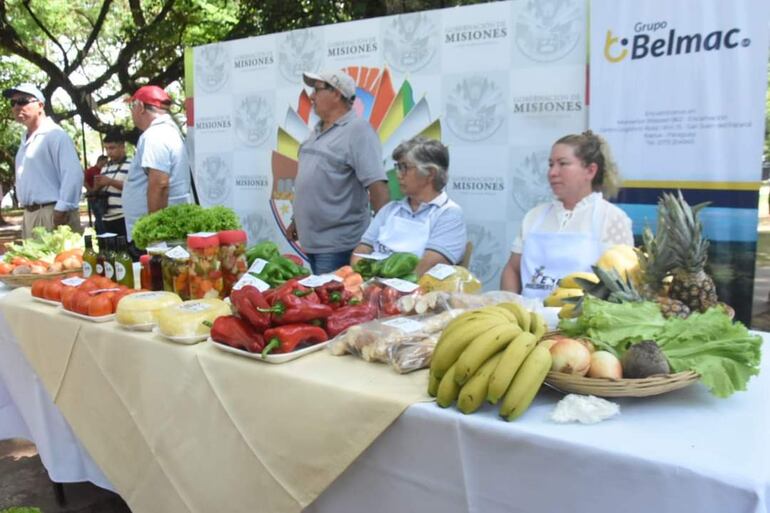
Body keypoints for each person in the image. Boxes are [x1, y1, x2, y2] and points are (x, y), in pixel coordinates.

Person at [500, 130, 634, 299]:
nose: (552, 172)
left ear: (590, 171)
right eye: (550, 164)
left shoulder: (612, 219)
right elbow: (512, 269)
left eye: (562, 164)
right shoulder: (534, 216)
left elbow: (623, 285)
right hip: (529, 321)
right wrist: (509, 306)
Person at [288, 69, 390, 274]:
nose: (312, 96)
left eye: (317, 90)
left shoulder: (358, 131)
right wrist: (296, 220)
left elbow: (378, 187)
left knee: (333, 303)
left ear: (336, 94)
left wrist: (381, 239)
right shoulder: (316, 131)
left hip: (339, 246)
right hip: (312, 243)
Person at [351, 136, 467, 276]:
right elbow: (361, 251)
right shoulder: (390, 210)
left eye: (404, 167)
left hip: (414, 294)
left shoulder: (448, 214)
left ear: (430, 173)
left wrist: (381, 286)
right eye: (398, 167)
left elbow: (425, 269)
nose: (398, 175)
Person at [3, 83, 83, 238]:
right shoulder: (25, 139)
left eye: (23, 101)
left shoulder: (54, 135)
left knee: (60, 262)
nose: (17, 107)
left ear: (40, 105)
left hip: (52, 212)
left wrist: (61, 209)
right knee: (33, 262)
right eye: (13, 103)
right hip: (30, 214)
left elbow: (73, 174)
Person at [122, 85, 191, 246]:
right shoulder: (167, 131)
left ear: (140, 107)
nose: (131, 113)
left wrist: (155, 235)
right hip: (165, 229)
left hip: (156, 237)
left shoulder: (155, 135)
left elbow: (160, 184)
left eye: (132, 106)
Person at [92, 131, 130, 237]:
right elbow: (96, 191)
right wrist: (97, 187)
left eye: (112, 148)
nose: (109, 152)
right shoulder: (105, 167)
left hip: (123, 217)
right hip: (105, 217)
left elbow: (132, 188)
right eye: (106, 148)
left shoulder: (131, 165)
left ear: (122, 147)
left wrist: (109, 181)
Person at [84, 155, 108, 232]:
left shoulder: (104, 170)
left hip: (102, 197)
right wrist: (91, 190)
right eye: (105, 162)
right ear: (100, 161)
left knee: (102, 217)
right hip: (94, 197)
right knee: (99, 217)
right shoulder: (91, 170)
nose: (106, 164)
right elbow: (83, 181)